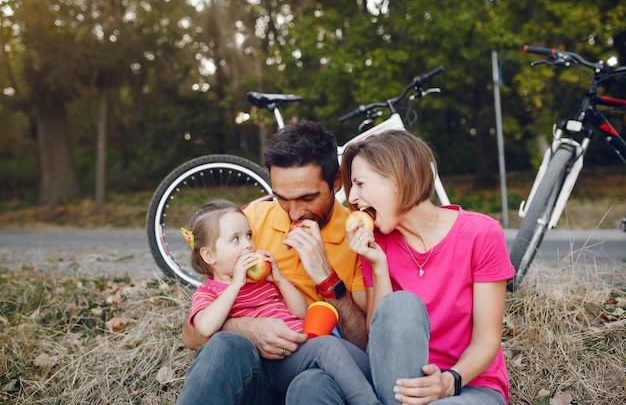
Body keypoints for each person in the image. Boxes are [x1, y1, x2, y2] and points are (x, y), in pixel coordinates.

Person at [176, 120, 369, 405]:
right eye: (281, 198)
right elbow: (193, 335)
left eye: (307, 197)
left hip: (312, 369)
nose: (294, 212)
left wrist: (327, 278)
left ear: (338, 182)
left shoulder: (358, 237)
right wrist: (247, 329)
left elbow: (362, 346)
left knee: (312, 384)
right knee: (228, 344)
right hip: (255, 376)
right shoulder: (247, 224)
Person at [341, 130, 515, 405]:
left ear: (396, 180)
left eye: (360, 184)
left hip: (465, 386)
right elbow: (381, 339)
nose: (352, 197)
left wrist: (449, 381)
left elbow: (487, 338)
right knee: (400, 305)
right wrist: (379, 268)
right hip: (398, 388)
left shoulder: (481, 233)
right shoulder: (376, 244)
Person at [179, 199, 381, 405]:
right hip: (271, 363)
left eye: (249, 235)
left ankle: (373, 380)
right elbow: (205, 328)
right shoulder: (209, 292)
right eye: (235, 240)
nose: (248, 244)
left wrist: (279, 279)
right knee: (327, 346)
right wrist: (236, 284)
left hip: (296, 356)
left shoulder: (263, 283)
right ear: (209, 255)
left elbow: (302, 313)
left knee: (327, 354)